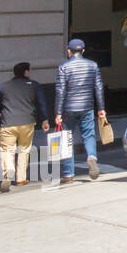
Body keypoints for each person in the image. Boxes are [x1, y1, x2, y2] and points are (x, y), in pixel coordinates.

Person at [53, 38, 107, 184]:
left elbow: (60, 91)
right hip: (87, 107)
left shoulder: (63, 67)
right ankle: (91, 156)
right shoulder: (93, 65)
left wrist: (58, 113)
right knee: (89, 135)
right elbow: (99, 87)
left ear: (69, 51)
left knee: (66, 140)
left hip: (68, 109)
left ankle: (68, 174)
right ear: (83, 50)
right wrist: (101, 109)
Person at [0, 62, 48, 192]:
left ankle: (8, 172)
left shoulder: (4, 86)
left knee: (7, 150)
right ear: (26, 72)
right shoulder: (34, 85)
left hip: (8, 123)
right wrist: (45, 119)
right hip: (27, 122)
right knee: (24, 149)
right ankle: (21, 178)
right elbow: (42, 103)